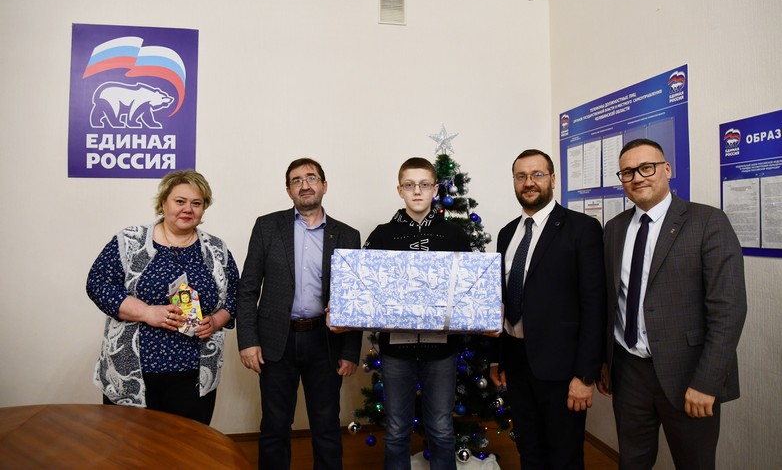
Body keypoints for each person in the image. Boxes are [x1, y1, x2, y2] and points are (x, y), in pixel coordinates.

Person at [597, 138, 747, 469]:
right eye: (627, 172)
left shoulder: (707, 222)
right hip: (629, 372)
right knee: (632, 462)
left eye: (646, 168)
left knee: (695, 463)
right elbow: (611, 301)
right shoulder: (614, 229)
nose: (637, 177)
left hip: (688, 373)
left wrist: (706, 382)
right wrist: (606, 361)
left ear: (667, 169)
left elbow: (728, 310)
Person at [236, 158, 362, 470]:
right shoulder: (267, 227)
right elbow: (248, 288)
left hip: (325, 341)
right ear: (289, 190)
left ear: (324, 185)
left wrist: (350, 351)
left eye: (311, 178)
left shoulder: (347, 235)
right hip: (276, 342)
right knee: (275, 425)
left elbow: (354, 298)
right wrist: (247, 341)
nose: (305, 185)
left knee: (326, 426)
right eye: (296, 180)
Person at [87, 169, 238, 425]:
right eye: (180, 201)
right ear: (163, 203)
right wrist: (146, 312)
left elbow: (236, 294)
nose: (187, 209)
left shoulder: (216, 249)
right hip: (134, 371)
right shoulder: (130, 241)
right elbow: (98, 284)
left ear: (203, 209)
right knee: (129, 444)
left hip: (194, 374)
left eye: (196, 203)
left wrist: (216, 321)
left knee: (188, 444)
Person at [490, 149, 606, 469]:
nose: (529, 182)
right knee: (529, 450)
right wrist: (499, 357)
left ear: (553, 179)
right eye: (521, 176)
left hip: (562, 369)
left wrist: (585, 375)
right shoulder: (507, 233)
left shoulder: (582, 229)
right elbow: (502, 299)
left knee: (564, 457)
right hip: (516, 362)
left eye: (537, 175)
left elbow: (594, 304)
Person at [363, 157, 473, 470]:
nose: (417, 191)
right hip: (396, 350)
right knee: (397, 429)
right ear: (399, 190)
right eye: (409, 185)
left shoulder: (455, 235)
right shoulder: (382, 235)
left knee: (441, 428)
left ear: (435, 190)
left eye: (424, 185)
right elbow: (366, 287)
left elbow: (469, 288)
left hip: (441, 351)